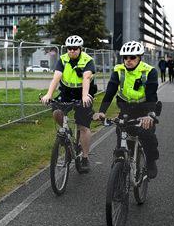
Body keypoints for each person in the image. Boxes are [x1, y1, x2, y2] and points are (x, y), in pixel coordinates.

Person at [93, 41, 159, 179]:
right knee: (122, 143)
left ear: (139, 57)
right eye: (125, 57)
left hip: (145, 109)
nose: (128, 60)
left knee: (147, 136)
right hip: (126, 109)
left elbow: (152, 95)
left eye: (132, 57)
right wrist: (101, 111)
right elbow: (110, 92)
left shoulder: (149, 71)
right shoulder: (118, 70)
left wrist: (150, 115)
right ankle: (119, 178)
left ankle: (151, 162)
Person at [41, 35, 96, 173]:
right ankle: (68, 132)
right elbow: (56, 77)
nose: (72, 51)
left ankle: (84, 157)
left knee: (83, 126)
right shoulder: (63, 59)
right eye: (69, 48)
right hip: (66, 92)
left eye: (75, 48)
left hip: (83, 92)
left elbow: (86, 78)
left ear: (80, 48)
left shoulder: (88, 60)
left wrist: (84, 96)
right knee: (56, 113)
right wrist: (49, 94)